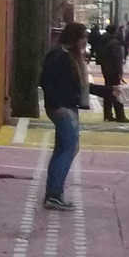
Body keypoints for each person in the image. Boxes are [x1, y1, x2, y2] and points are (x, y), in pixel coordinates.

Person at [38, 22, 86, 210]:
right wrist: (58, 104)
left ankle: (54, 193)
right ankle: (54, 194)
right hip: (63, 109)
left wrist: (107, 91)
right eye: (83, 37)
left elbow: (76, 86)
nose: (85, 41)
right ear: (75, 38)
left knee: (63, 149)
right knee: (68, 149)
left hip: (65, 107)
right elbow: (46, 81)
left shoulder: (67, 56)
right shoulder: (60, 56)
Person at [98, 25, 128, 122]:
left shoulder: (103, 40)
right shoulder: (115, 43)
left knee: (108, 91)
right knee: (116, 92)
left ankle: (107, 114)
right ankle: (120, 115)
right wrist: (120, 72)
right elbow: (117, 60)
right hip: (114, 71)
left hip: (106, 69)